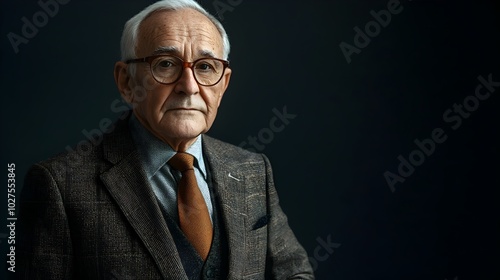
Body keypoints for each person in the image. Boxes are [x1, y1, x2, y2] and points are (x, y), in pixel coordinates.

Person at [16, 0, 314, 279]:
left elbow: (294, 273)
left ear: (223, 85)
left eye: (205, 67)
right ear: (126, 82)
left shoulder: (253, 170)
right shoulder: (59, 185)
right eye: (166, 64)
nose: (189, 87)